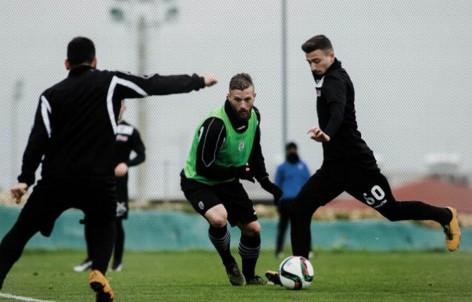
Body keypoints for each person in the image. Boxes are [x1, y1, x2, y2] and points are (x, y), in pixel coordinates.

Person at [0, 37, 217, 301]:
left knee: (20, 233)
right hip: (98, 180)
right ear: (95, 61)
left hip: (56, 180)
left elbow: (38, 139)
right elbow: (152, 84)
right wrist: (197, 81)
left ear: (67, 63)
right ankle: (99, 273)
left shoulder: (50, 96)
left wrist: (25, 179)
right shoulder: (109, 81)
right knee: (104, 224)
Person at [266, 34, 461, 283]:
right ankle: (298, 271)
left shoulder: (334, 80)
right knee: (300, 209)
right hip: (334, 169)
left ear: (331, 56)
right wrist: (326, 130)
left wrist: (327, 132)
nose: (313, 67)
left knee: (392, 211)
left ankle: (446, 215)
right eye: (309, 62)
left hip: (359, 168)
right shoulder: (328, 77)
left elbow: (337, 110)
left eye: (316, 61)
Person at [180, 73, 283, 286]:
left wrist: (266, 183)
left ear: (254, 96)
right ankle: (229, 263)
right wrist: (237, 172)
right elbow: (204, 167)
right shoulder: (216, 124)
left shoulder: (255, 116)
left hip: (227, 179)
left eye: (247, 99)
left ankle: (250, 276)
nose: (243, 105)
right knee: (219, 219)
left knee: (253, 229)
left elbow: (255, 150)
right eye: (237, 99)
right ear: (228, 97)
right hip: (198, 181)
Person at [74, 100, 146, 273]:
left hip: (117, 186)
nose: (116, 107)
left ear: (124, 108)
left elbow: (141, 155)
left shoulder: (130, 130)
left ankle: (117, 262)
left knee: (115, 222)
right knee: (90, 220)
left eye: (119, 104)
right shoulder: (97, 126)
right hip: (94, 182)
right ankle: (91, 259)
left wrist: (126, 164)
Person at [274, 142, 310, 258]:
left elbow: (309, 183)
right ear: (287, 151)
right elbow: (277, 184)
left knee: (303, 226)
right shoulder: (282, 167)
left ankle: (307, 250)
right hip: (285, 201)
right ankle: (279, 251)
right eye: (290, 149)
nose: (292, 151)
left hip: (300, 201)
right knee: (283, 227)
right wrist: (277, 201)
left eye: (294, 149)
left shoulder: (303, 166)